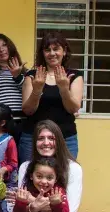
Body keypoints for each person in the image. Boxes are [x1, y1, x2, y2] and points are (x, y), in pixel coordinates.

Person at [20, 32, 83, 162]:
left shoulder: (74, 76)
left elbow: (73, 109)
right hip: (33, 137)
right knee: (31, 177)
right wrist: (37, 89)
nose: (52, 53)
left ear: (64, 51)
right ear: (43, 53)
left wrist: (64, 89)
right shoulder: (32, 75)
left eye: (56, 49)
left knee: (65, 177)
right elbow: (28, 110)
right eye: (47, 50)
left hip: (66, 137)